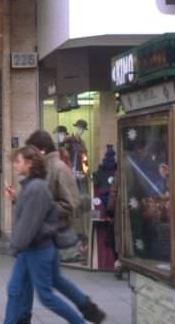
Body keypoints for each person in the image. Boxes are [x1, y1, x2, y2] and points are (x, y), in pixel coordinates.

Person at [17, 130, 106, 324]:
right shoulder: (42, 168)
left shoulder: (58, 168)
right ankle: (88, 308)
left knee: (37, 290)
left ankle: (83, 313)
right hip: (39, 234)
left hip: (48, 234)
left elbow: (71, 203)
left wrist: (43, 209)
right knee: (51, 280)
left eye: (31, 150)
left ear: (41, 149)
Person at [3, 145, 85, 324]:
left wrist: (15, 246)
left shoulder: (36, 188)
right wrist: (16, 198)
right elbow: (28, 217)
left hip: (36, 248)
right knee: (15, 290)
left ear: (30, 163)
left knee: (46, 297)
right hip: (31, 247)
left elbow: (29, 224)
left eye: (18, 162)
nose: (15, 166)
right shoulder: (31, 186)